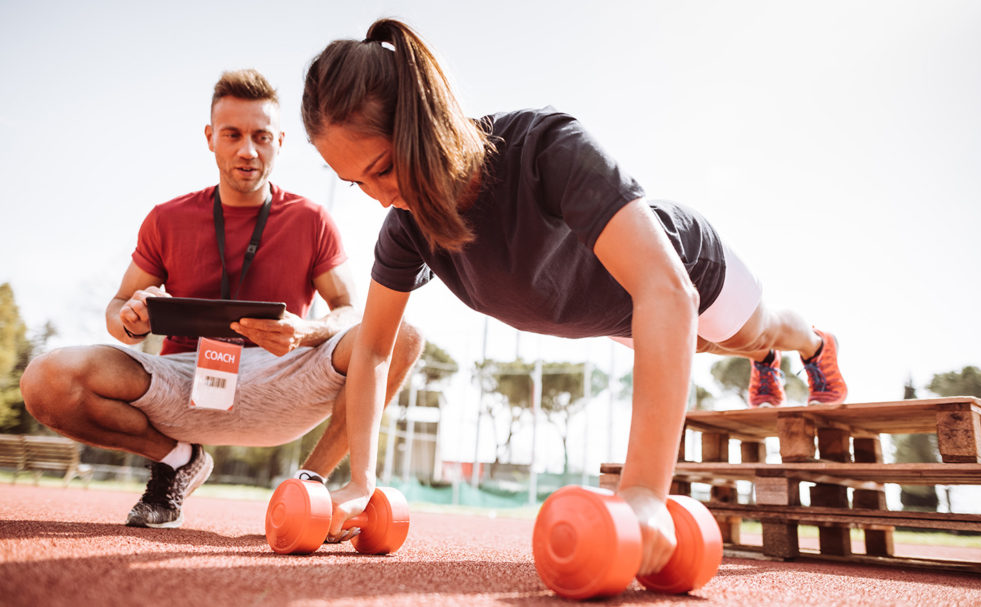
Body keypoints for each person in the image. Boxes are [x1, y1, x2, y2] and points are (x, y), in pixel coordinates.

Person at [299, 19, 847, 574]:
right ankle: (761, 362)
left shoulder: (546, 148)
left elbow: (664, 289)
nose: (379, 196)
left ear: (421, 121)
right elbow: (371, 350)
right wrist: (362, 480)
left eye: (383, 169)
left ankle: (810, 346)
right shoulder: (406, 227)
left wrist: (644, 494)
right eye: (356, 184)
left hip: (680, 272)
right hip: (618, 314)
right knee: (703, 350)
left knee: (751, 332)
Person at [20, 69, 423, 530]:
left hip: (284, 377)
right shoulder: (166, 218)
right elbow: (116, 309)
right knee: (44, 379)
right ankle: (177, 459)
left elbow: (352, 311)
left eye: (261, 136)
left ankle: (312, 483)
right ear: (211, 138)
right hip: (183, 382)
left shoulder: (312, 218)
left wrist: (305, 330)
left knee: (403, 335)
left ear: (280, 141)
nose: (247, 150)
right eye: (232, 134)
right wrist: (130, 318)